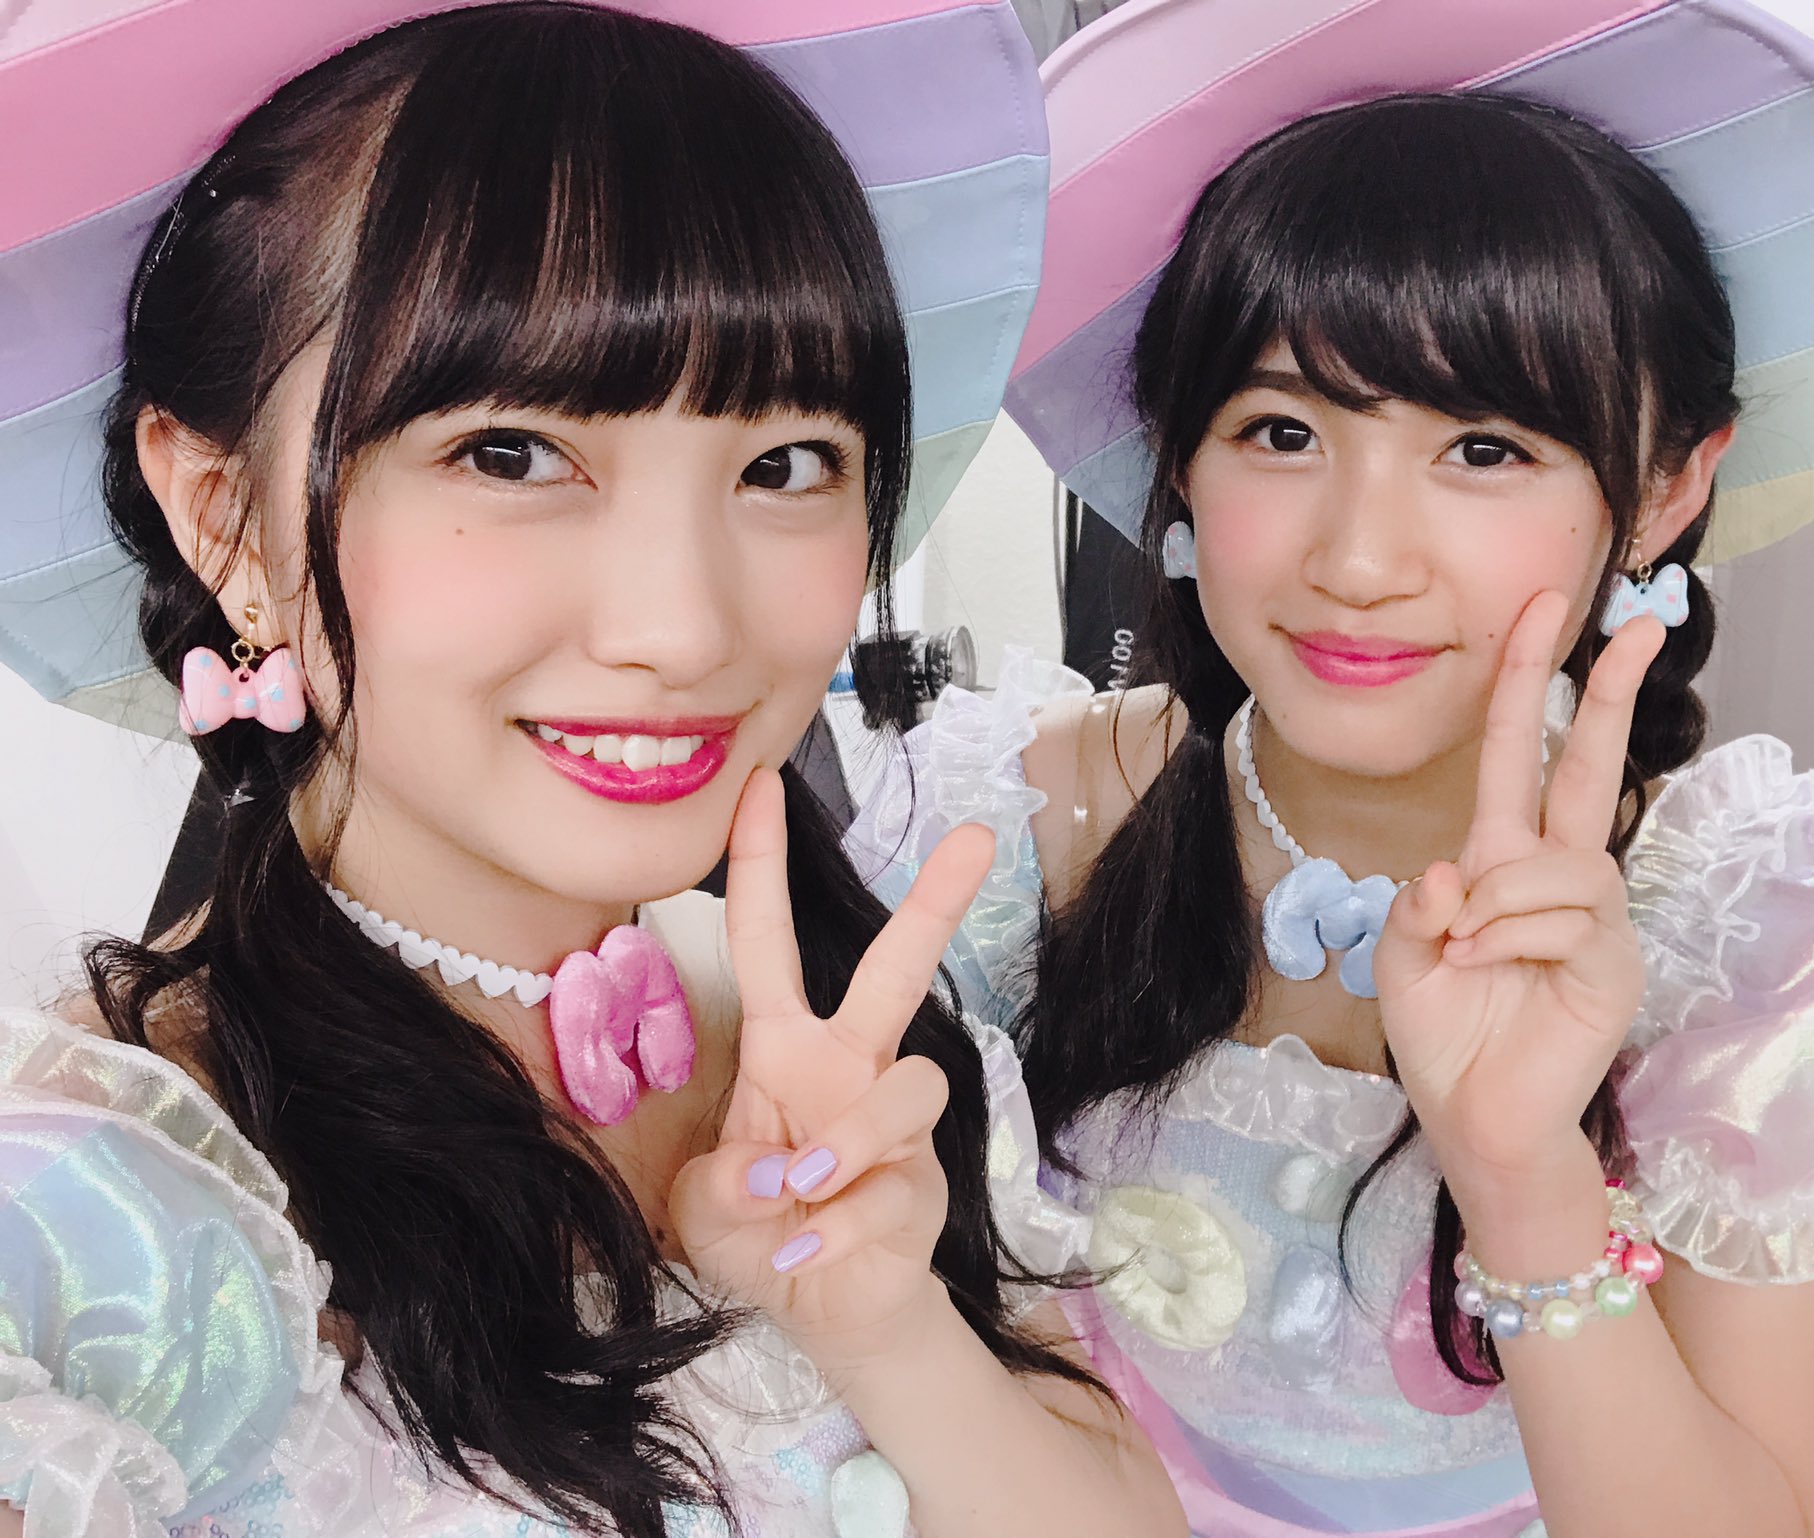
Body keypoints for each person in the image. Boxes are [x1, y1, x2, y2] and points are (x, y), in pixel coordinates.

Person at [848, 1, 1814, 1533]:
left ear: (1667, 486)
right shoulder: (1016, 824)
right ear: (1177, 454)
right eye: (1281, 431)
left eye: (1485, 448)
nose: (1359, 560)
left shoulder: (1749, 925)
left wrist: (1522, 1175)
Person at [0, 4, 1184, 1534]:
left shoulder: (836, 1023)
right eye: (510, 452)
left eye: (785, 464)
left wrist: (885, 1324)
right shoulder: (94, 1225)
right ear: (224, 516)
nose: (681, 628)